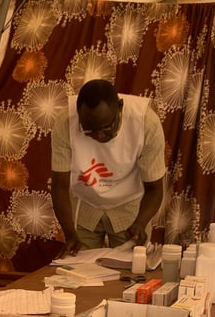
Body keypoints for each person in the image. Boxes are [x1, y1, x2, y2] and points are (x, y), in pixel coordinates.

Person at [50, 78, 166, 255]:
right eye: (89, 130)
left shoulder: (146, 124)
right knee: (80, 271)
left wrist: (140, 223)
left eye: (107, 127)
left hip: (130, 208)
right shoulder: (66, 121)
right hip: (85, 203)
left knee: (129, 272)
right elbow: (59, 185)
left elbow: (155, 189)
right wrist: (69, 233)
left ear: (120, 107)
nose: (99, 136)